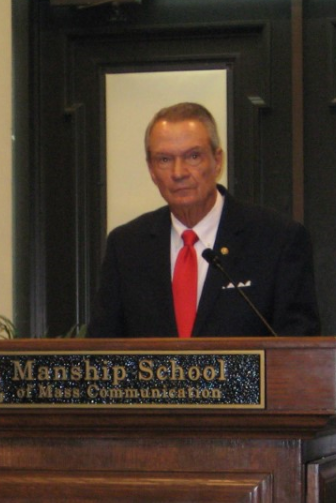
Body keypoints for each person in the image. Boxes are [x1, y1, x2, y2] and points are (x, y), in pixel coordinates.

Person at [87, 102, 320, 338]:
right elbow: (101, 350)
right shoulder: (127, 246)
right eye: (165, 159)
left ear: (217, 161)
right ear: (151, 170)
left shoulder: (276, 239)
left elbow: (299, 350)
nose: (179, 173)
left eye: (193, 156)